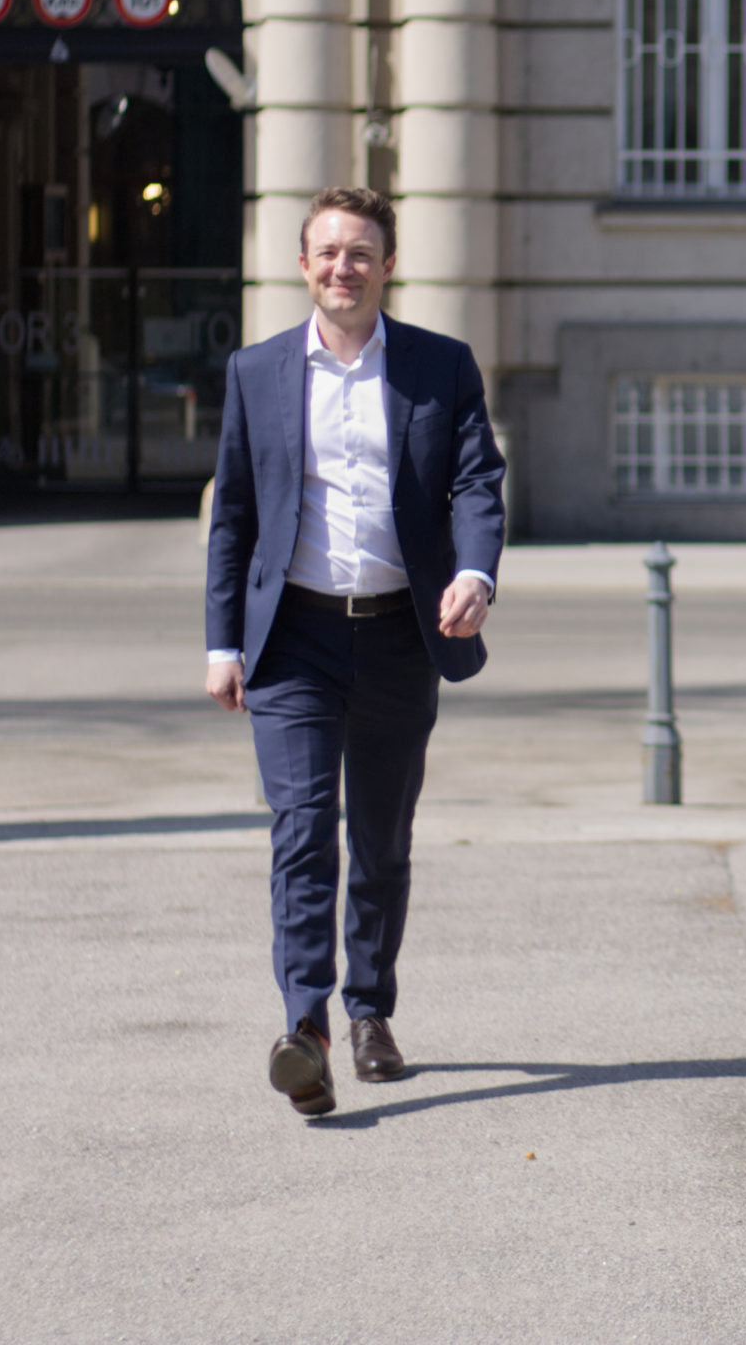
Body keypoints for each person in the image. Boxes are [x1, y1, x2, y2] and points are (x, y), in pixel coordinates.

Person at [204, 186, 506, 1118]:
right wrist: (222, 642)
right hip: (291, 638)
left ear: (386, 266)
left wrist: (475, 574)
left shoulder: (437, 366)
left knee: (379, 836)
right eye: (329, 252)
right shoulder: (257, 373)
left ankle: (370, 1009)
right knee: (301, 832)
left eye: (362, 253)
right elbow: (235, 518)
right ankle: (307, 1028)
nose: (345, 267)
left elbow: (475, 481)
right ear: (304, 264)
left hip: (396, 637)